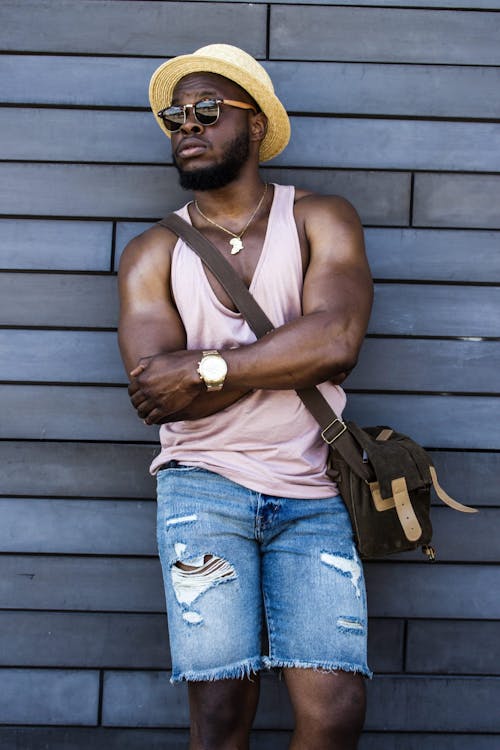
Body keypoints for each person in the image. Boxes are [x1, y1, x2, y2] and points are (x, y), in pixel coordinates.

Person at [118, 44, 373, 750]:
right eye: (176, 116)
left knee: (335, 711)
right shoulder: (150, 254)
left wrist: (200, 370)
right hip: (202, 494)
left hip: (313, 496)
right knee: (222, 714)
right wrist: (285, 356)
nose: (187, 126)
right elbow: (155, 394)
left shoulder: (322, 217)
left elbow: (337, 340)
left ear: (255, 124)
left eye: (207, 111)